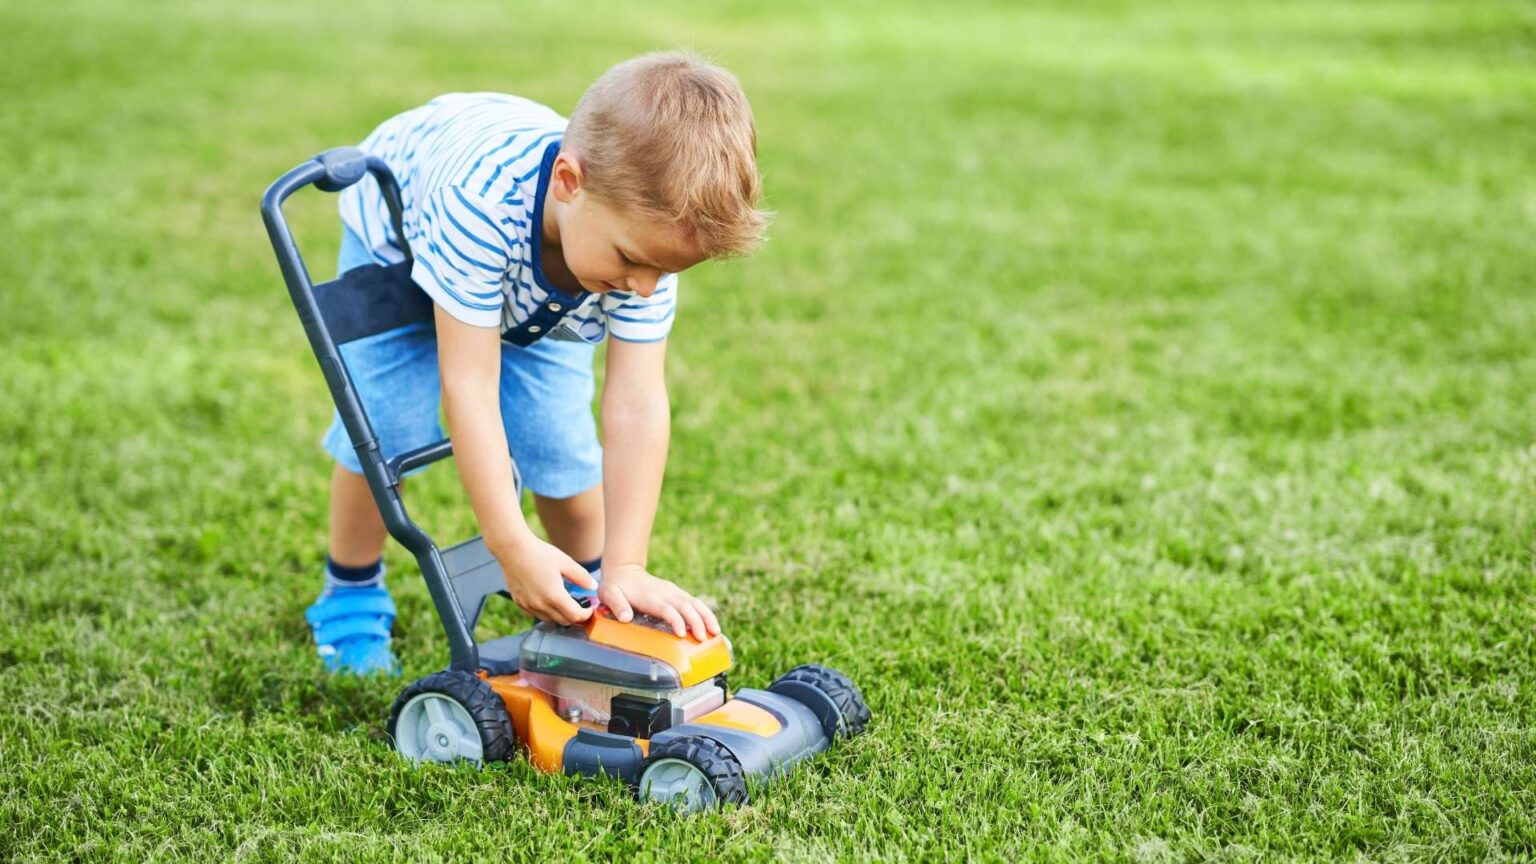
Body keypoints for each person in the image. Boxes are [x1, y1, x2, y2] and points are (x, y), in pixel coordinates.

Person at [304, 51, 768, 674]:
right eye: (633, 261)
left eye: (666, 272)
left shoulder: (641, 252)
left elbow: (636, 402)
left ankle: (600, 595)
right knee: (389, 427)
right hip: (402, 240)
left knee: (561, 450)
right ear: (569, 184)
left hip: (539, 284)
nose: (646, 288)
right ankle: (351, 596)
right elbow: (468, 382)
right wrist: (509, 541)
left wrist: (628, 564)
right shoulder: (478, 203)